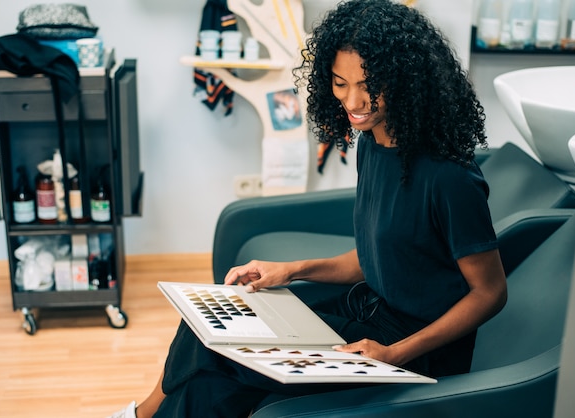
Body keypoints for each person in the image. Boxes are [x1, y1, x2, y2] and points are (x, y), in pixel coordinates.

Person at [109, 0, 507, 416]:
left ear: (407, 79)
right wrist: (290, 269)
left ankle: (139, 415)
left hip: (412, 352)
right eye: (339, 83)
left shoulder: (450, 177)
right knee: (212, 337)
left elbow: (490, 292)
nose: (354, 101)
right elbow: (380, 259)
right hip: (365, 314)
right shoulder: (372, 144)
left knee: (220, 355)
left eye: (369, 84)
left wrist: (396, 353)